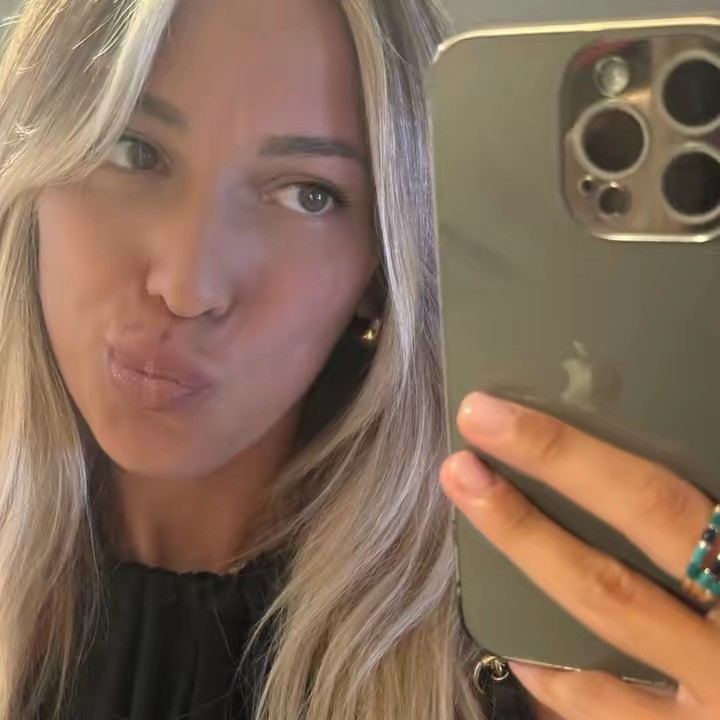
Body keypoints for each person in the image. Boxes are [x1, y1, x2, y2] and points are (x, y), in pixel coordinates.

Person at [0, 1, 717, 719]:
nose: (188, 288)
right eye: (132, 150)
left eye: (307, 194)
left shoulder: (516, 667)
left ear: (381, 265)